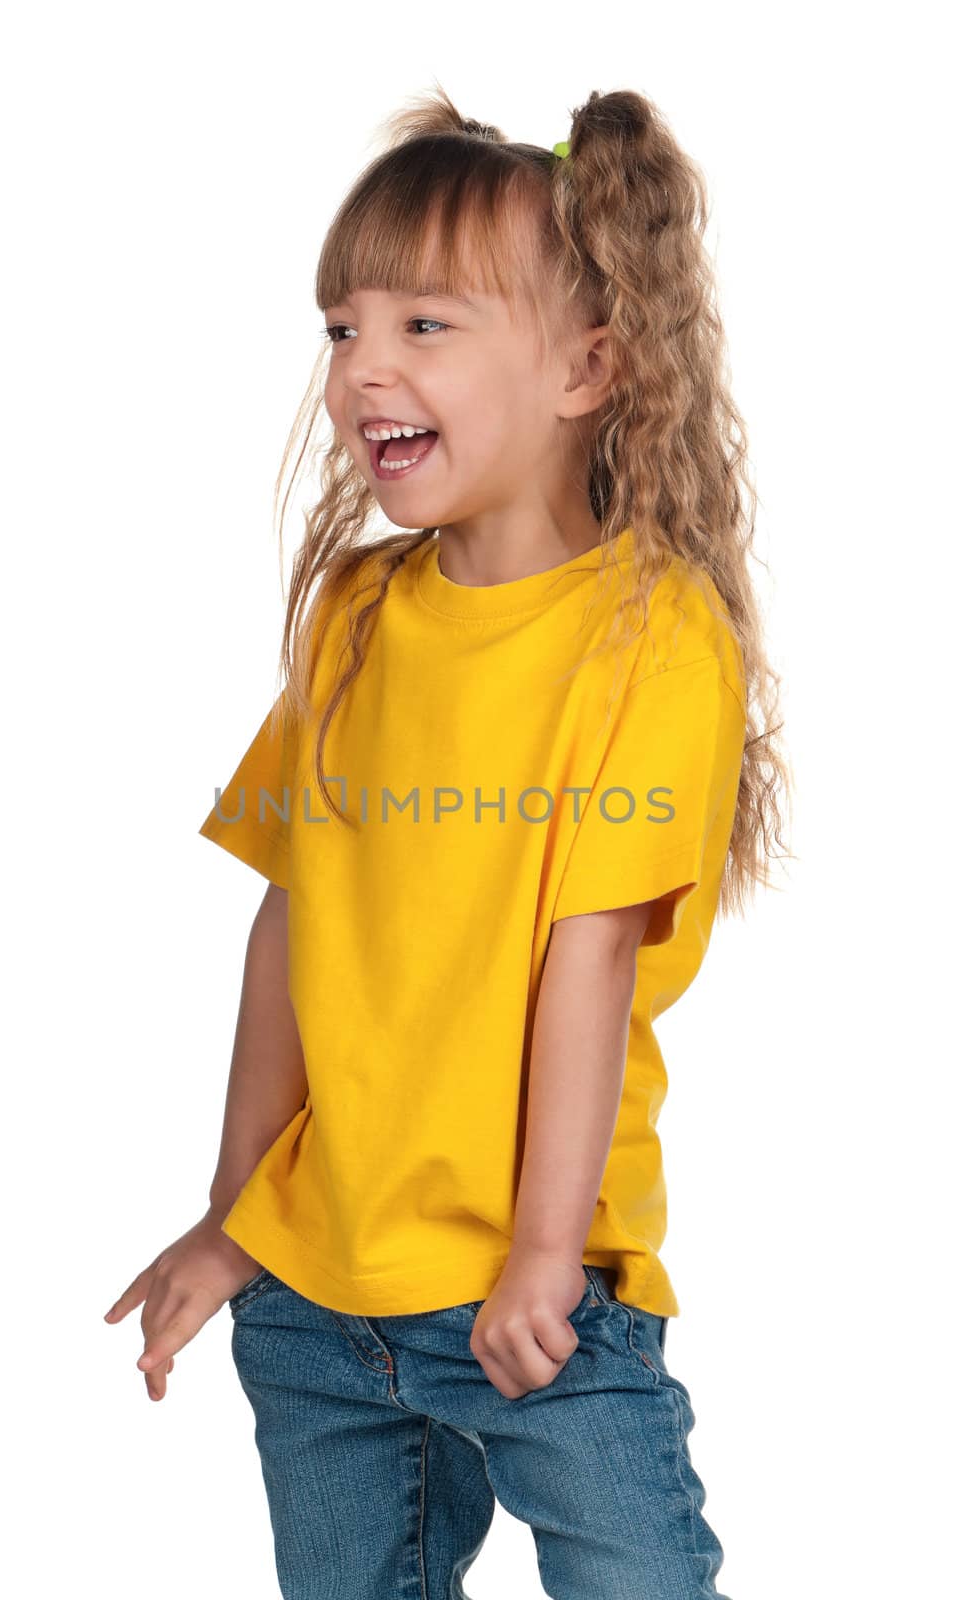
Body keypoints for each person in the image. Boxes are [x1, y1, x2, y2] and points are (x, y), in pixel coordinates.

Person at [105, 83, 790, 1600]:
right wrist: (233, 1222)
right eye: (343, 327)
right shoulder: (356, 617)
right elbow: (291, 917)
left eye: (425, 324)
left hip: (542, 1303)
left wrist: (545, 1255)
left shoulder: (651, 637)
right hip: (315, 1300)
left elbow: (586, 956)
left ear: (588, 367)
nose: (362, 369)